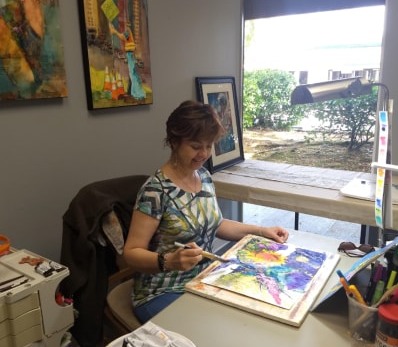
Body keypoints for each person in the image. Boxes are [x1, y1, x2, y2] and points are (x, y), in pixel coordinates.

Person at [123, 100, 289, 323]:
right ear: (174, 141)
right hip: (161, 291)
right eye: (195, 146)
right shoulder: (155, 191)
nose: (203, 154)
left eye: (209, 146)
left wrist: (260, 230)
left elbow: (217, 223)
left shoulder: (203, 177)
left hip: (203, 280)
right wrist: (169, 261)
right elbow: (131, 252)